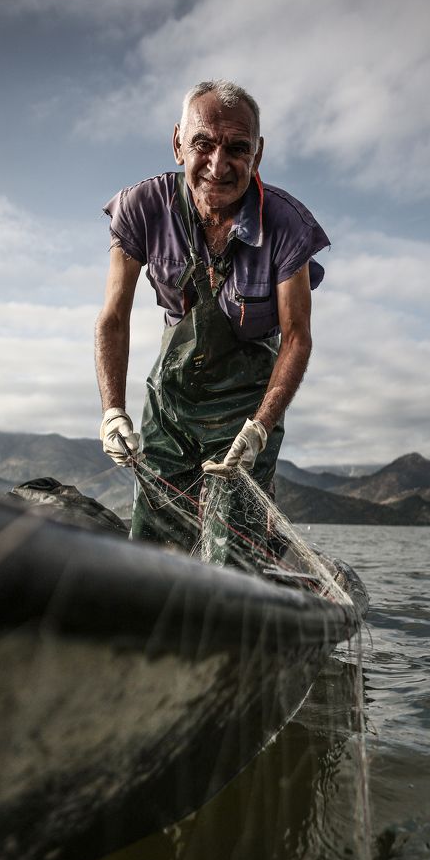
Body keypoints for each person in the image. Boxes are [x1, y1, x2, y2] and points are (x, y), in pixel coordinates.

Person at [95, 79, 330, 560]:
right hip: (172, 400)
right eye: (203, 144)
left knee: (234, 550)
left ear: (257, 155)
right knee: (156, 545)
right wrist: (112, 411)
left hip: (250, 402)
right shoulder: (142, 207)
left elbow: (297, 338)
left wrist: (260, 428)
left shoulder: (287, 225)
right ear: (177, 143)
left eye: (237, 149)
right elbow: (114, 317)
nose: (218, 166)